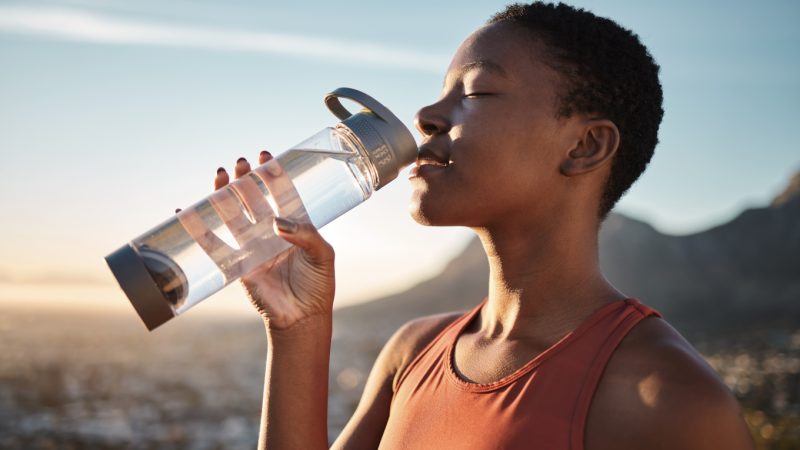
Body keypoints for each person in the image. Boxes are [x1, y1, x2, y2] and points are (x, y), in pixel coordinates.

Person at [215, 2, 755, 449]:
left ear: (585, 146)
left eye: (475, 92)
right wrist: (296, 328)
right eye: (441, 90)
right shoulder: (412, 353)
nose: (426, 113)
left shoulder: (668, 401)